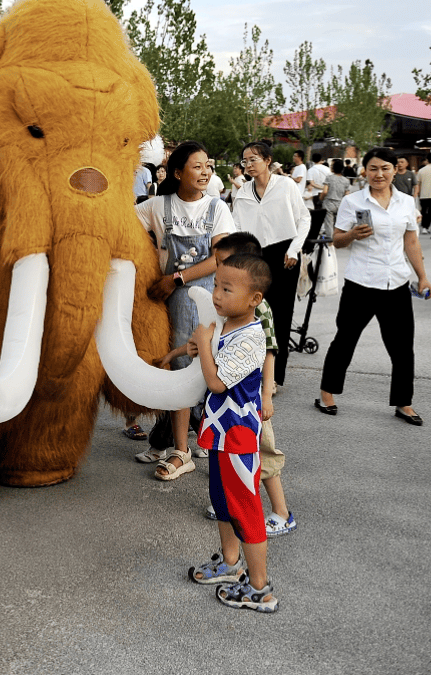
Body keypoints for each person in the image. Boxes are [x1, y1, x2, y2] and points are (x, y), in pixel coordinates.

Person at [134, 141, 235, 479]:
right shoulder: (157, 205)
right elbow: (126, 229)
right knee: (167, 366)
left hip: (198, 299)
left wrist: (174, 279)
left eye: (208, 166)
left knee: (185, 368)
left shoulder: (217, 208)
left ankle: (182, 450)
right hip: (163, 301)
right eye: (197, 166)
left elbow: (219, 258)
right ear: (178, 173)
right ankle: (167, 440)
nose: (206, 172)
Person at [317, 147, 431, 426]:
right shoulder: (353, 201)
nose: (379, 174)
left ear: (396, 170)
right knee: (345, 340)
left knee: (403, 347)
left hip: (396, 283)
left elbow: (411, 242)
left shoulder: (406, 202)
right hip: (361, 282)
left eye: (385, 168)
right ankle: (326, 393)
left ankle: (404, 403)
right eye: (373, 168)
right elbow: (336, 239)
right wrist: (352, 235)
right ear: (365, 171)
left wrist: (423, 276)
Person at [186, 252, 277, 612]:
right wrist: (198, 346)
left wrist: (204, 345)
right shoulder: (226, 326)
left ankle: (259, 588)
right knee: (222, 502)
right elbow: (210, 357)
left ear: (254, 299)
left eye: (226, 288)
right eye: (215, 286)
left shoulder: (251, 337)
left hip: (238, 437)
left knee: (246, 509)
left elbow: (217, 381)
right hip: (219, 435)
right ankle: (229, 562)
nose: (217, 295)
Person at [231, 141, 311, 389]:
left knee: (281, 316)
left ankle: (275, 377)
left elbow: (304, 218)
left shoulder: (286, 185)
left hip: (285, 254)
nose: (249, 164)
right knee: (254, 314)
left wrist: (294, 249)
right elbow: (236, 228)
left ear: (268, 160)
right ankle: (252, 371)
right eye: (245, 161)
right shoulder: (242, 192)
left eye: (253, 159)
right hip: (255, 257)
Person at [319, 159, 350, 237]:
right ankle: (337, 239)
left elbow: (325, 191)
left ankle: (330, 243)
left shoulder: (329, 178)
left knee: (329, 224)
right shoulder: (346, 180)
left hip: (329, 202)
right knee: (338, 224)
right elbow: (347, 195)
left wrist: (321, 198)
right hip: (340, 203)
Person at [417, 152, 431, 232]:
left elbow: (418, 183)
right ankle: (426, 227)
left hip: (423, 194)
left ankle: (423, 226)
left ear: (427, 160)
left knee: (423, 211)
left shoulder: (421, 170)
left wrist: (418, 193)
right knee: (430, 212)